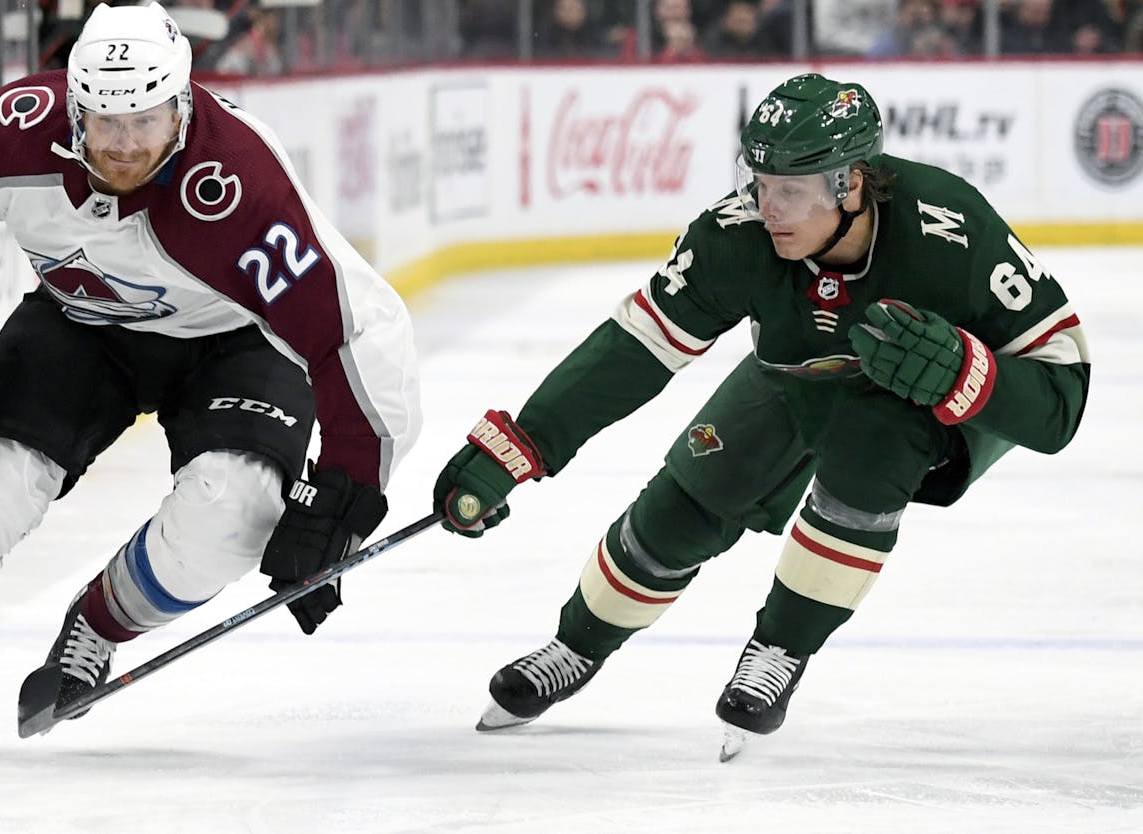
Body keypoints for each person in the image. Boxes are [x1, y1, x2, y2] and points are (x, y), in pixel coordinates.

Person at [0, 1, 421, 754]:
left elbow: (359, 331)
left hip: (234, 342)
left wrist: (343, 498)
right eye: (104, 122)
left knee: (233, 515)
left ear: (182, 106)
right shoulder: (20, 125)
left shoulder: (241, 186)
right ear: (74, 104)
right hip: (78, 324)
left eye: (145, 122)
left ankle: (95, 627)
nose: (123, 147)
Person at [433, 73, 1089, 760]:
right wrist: (520, 446)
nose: (767, 206)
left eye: (791, 190)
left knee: (873, 447)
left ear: (852, 184)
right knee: (683, 508)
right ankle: (576, 645)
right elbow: (635, 349)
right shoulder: (734, 236)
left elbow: (1060, 402)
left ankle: (780, 647)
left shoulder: (951, 230)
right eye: (761, 181)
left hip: (925, 400)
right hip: (794, 376)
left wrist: (965, 374)